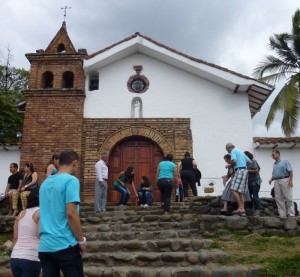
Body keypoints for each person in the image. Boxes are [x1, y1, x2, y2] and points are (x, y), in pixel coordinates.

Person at [38, 151, 86, 277]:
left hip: (45, 246)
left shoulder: (44, 184)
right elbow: (71, 214)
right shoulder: (71, 180)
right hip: (65, 244)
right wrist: (81, 240)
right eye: (77, 165)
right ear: (75, 163)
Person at [10, 187, 41, 277]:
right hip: (31, 257)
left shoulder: (21, 213)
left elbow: (15, 237)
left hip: (15, 257)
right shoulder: (40, 213)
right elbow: (40, 235)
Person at [225, 143, 251, 217]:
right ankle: (242, 211)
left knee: (233, 189)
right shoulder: (241, 152)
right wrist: (244, 166)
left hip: (239, 171)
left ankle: (240, 207)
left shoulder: (234, 151)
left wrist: (229, 165)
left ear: (230, 147)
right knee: (240, 192)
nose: (229, 152)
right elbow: (250, 162)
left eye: (228, 150)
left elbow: (234, 161)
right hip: (245, 171)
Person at [269, 149, 294, 218]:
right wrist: (271, 179)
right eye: (272, 155)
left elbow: (290, 171)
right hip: (276, 181)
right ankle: (282, 214)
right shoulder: (275, 164)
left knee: (288, 197)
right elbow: (275, 174)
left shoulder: (284, 161)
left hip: (285, 179)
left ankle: (291, 213)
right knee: (278, 198)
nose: (272, 156)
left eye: (273, 155)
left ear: (278, 154)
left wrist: (291, 181)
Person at [245, 151, 262, 217]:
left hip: (255, 182)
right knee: (248, 197)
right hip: (248, 182)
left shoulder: (253, 161)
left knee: (255, 196)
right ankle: (251, 210)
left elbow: (256, 170)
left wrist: (247, 171)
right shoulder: (245, 163)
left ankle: (257, 210)